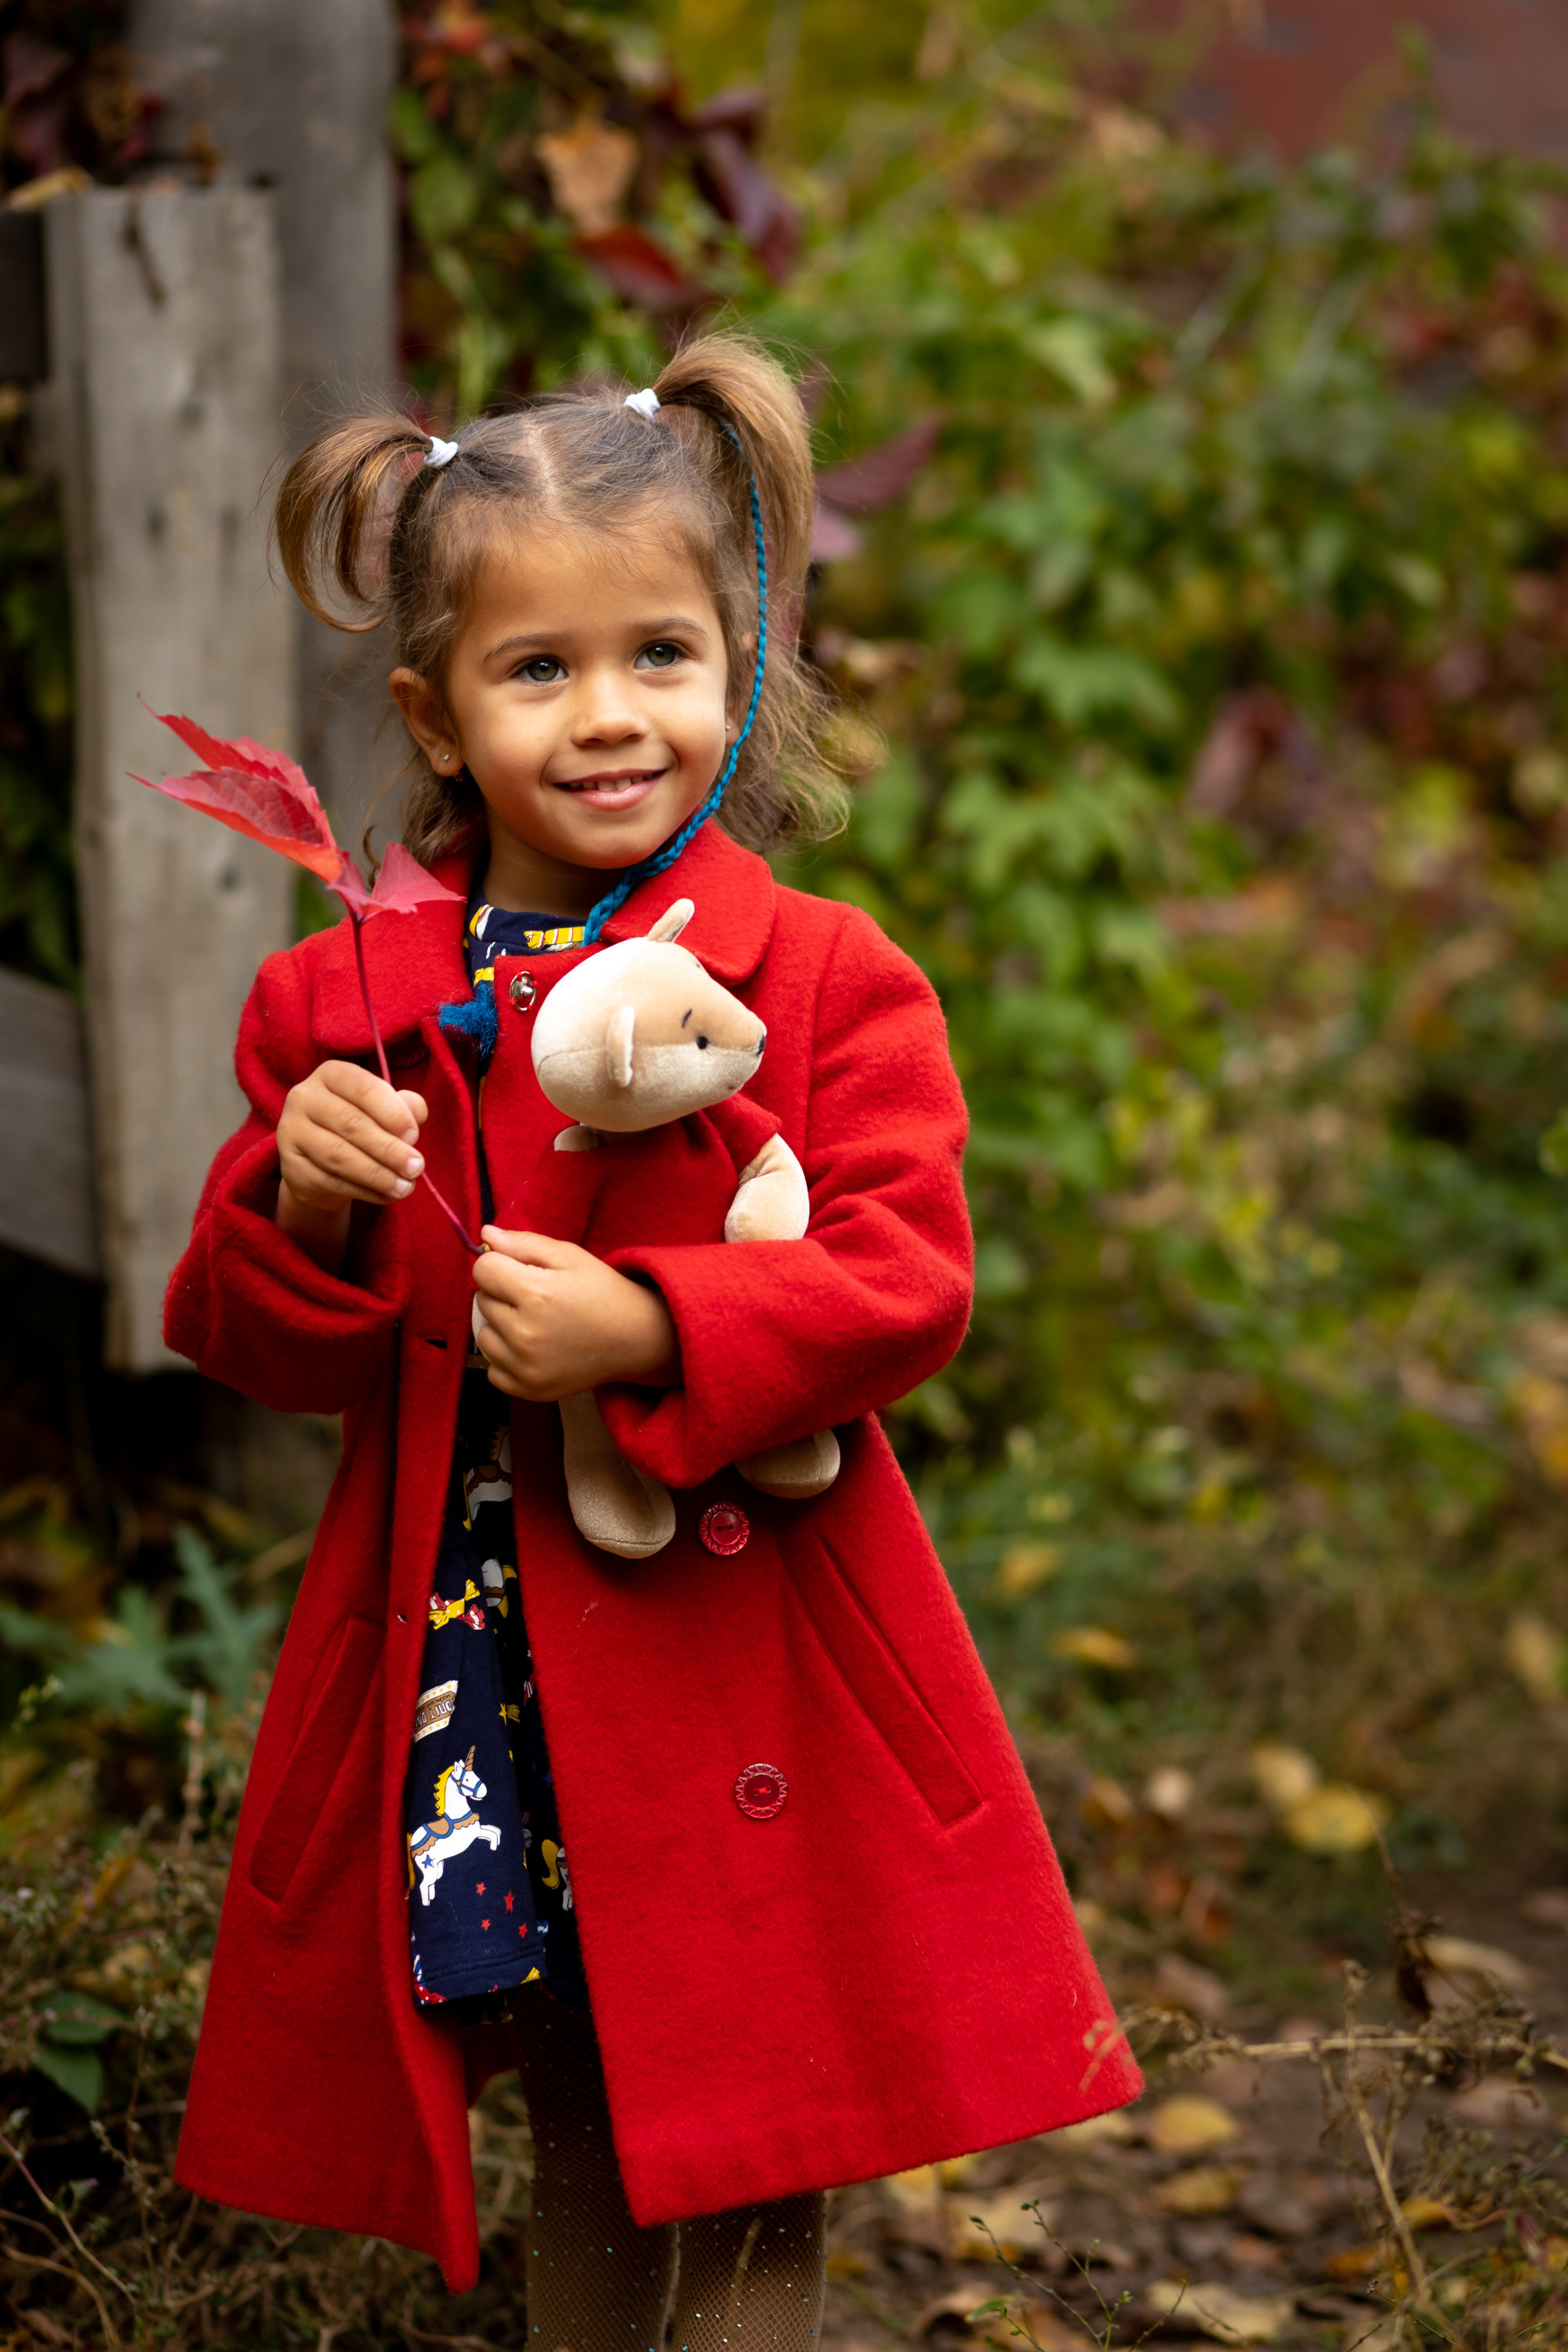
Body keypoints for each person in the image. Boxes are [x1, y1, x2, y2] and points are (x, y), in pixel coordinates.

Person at [165, 332, 1141, 2350]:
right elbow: (264, 1347)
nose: (608, 715)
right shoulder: (347, 1002)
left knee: (753, 2119)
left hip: (741, 1644)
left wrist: (651, 1321)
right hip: (487, 1653)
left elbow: (904, 1279)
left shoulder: (825, 979)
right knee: (583, 2118)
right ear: (437, 717)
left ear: (739, 667)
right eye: (539, 669)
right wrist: (311, 1196)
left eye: (660, 656)